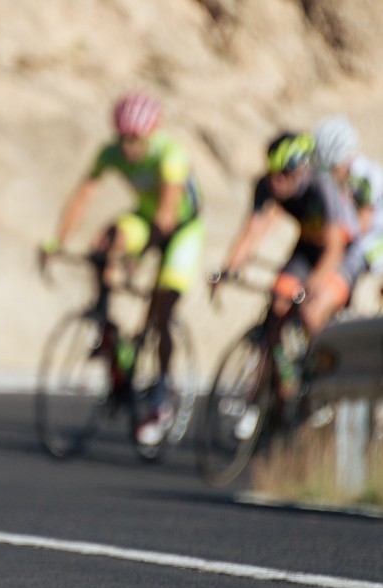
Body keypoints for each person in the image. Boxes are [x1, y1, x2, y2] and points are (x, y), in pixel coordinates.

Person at [40, 91, 206, 447]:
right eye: (123, 139)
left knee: (162, 310)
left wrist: (137, 259)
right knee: (103, 245)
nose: (129, 148)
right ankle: (108, 332)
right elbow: (84, 195)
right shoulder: (111, 153)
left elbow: (166, 217)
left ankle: (161, 395)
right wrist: (57, 241)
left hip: (182, 228)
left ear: (151, 134)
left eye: (136, 141)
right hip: (146, 217)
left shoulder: (170, 155)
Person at [221, 131, 355, 413]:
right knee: (278, 303)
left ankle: (325, 377)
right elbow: (252, 231)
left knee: (311, 312)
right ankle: (281, 384)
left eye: (284, 174)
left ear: (302, 170)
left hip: (342, 252)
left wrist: (313, 285)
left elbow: (335, 249)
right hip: (307, 249)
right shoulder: (267, 186)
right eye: (272, 173)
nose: (276, 181)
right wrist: (229, 268)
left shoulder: (322, 187)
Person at [312, 115, 383, 306]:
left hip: (372, 244)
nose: (330, 174)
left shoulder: (366, 177)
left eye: (333, 168)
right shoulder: (333, 176)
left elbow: (363, 225)